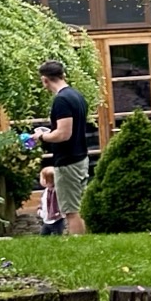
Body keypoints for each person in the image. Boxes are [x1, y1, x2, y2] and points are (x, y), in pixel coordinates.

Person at [36, 58, 90, 236]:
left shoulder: (62, 100)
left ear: (45, 80)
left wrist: (41, 136)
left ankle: (79, 245)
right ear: (63, 75)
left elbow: (63, 134)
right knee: (78, 205)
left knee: (71, 210)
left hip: (68, 161)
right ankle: (85, 241)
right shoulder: (76, 96)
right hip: (80, 157)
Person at [38, 166, 66, 237]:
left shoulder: (56, 191)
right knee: (43, 235)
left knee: (58, 235)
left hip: (57, 220)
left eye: (41, 177)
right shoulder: (45, 191)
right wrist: (40, 208)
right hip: (46, 220)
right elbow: (43, 201)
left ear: (45, 180)